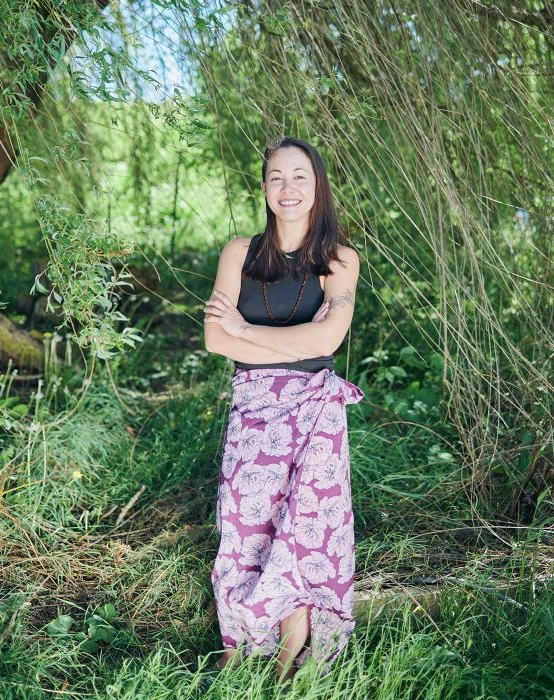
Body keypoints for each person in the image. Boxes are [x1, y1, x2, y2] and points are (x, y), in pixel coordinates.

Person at [204, 136, 364, 685]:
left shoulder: (340, 259)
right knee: (244, 523)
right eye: (276, 176)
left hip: (315, 408)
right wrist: (283, 342)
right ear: (265, 188)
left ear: (317, 185)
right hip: (252, 407)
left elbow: (332, 338)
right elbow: (214, 341)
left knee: (304, 525)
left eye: (300, 176)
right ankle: (241, 639)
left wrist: (246, 331)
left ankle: (293, 644)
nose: (288, 187)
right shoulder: (238, 253)